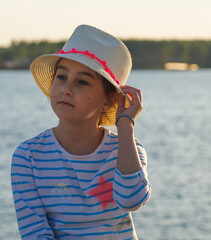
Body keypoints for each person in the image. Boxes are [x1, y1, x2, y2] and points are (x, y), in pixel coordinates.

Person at [11, 24, 151, 240]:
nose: (66, 89)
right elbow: (35, 234)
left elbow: (131, 200)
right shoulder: (28, 156)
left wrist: (125, 125)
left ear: (109, 100)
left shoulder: (126, 149)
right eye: (61, 77)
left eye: (82, 82)